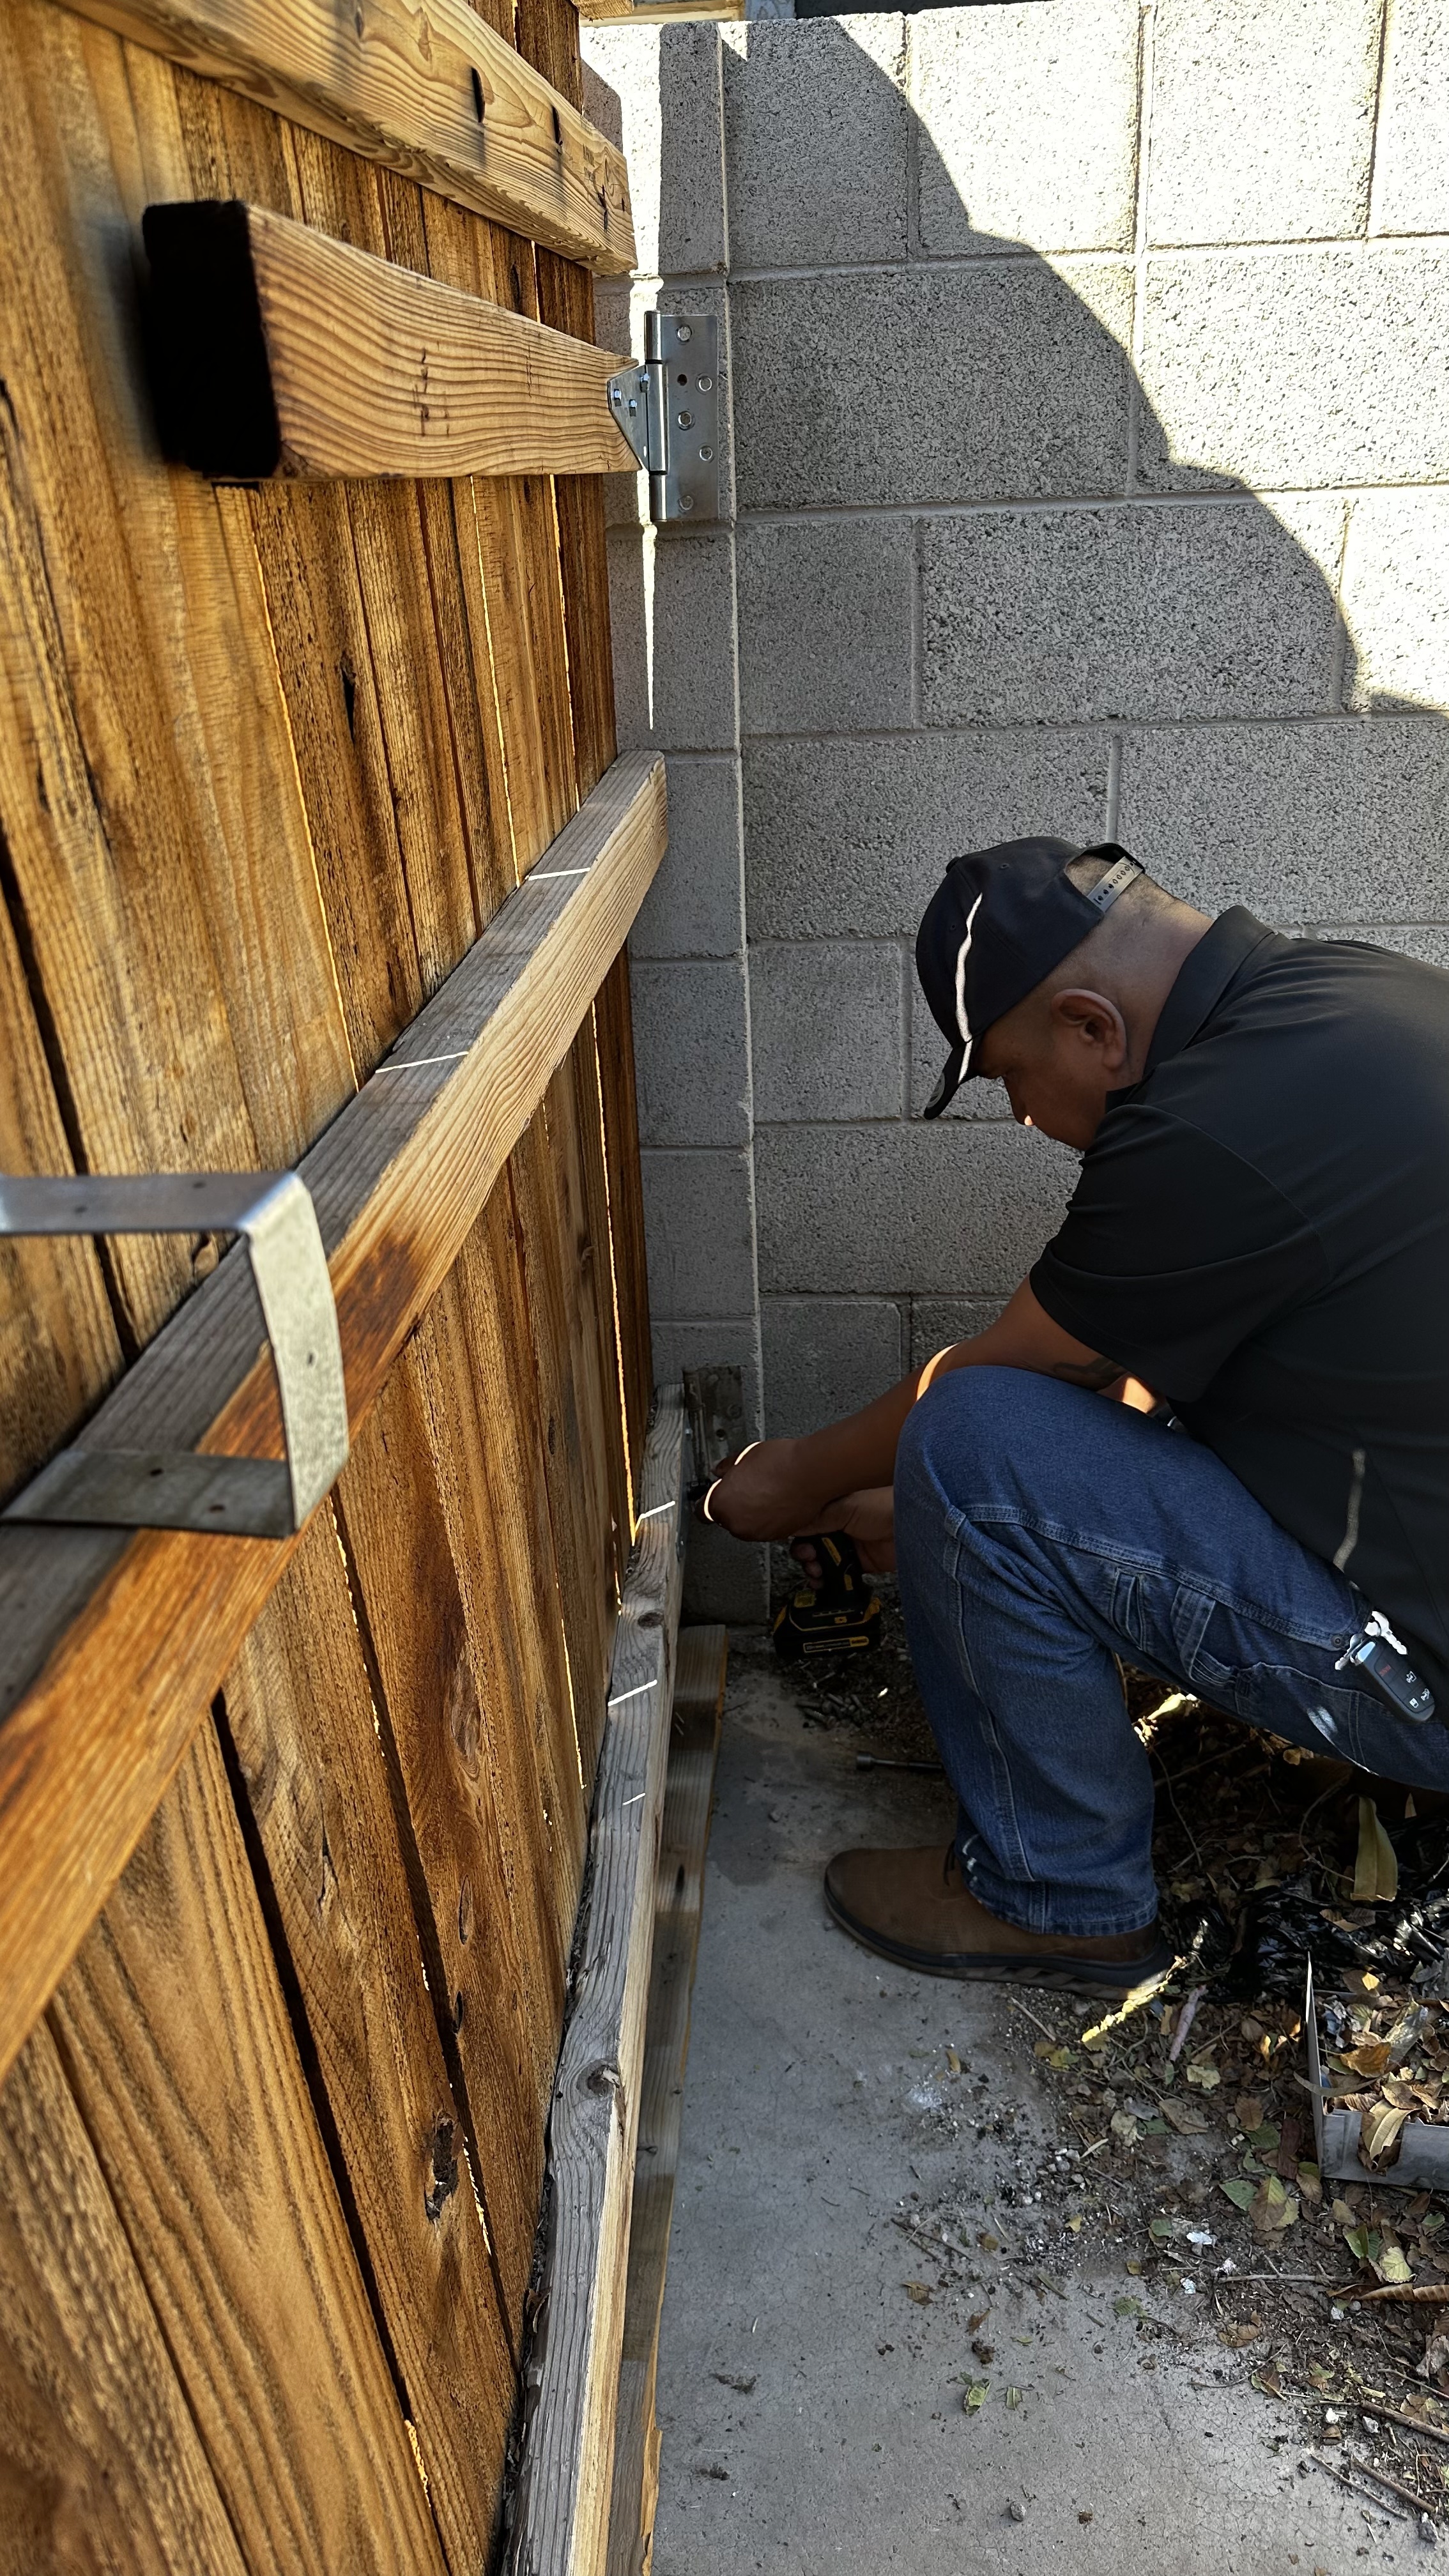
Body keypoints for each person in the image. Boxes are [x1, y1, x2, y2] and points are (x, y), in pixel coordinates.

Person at [703, 838, 1449, 1998]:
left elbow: (986, 1389)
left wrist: (787, 1480)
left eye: (1005, 1077)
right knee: (981, 1467)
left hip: (1428, 1678)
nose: (1019, 1118)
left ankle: (1057, 1902)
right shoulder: (1350, 997)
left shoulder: (1199, 1131)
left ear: (1091, 1026)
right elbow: (1149, 1372)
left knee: (970, 1439)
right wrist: (954, 1524)